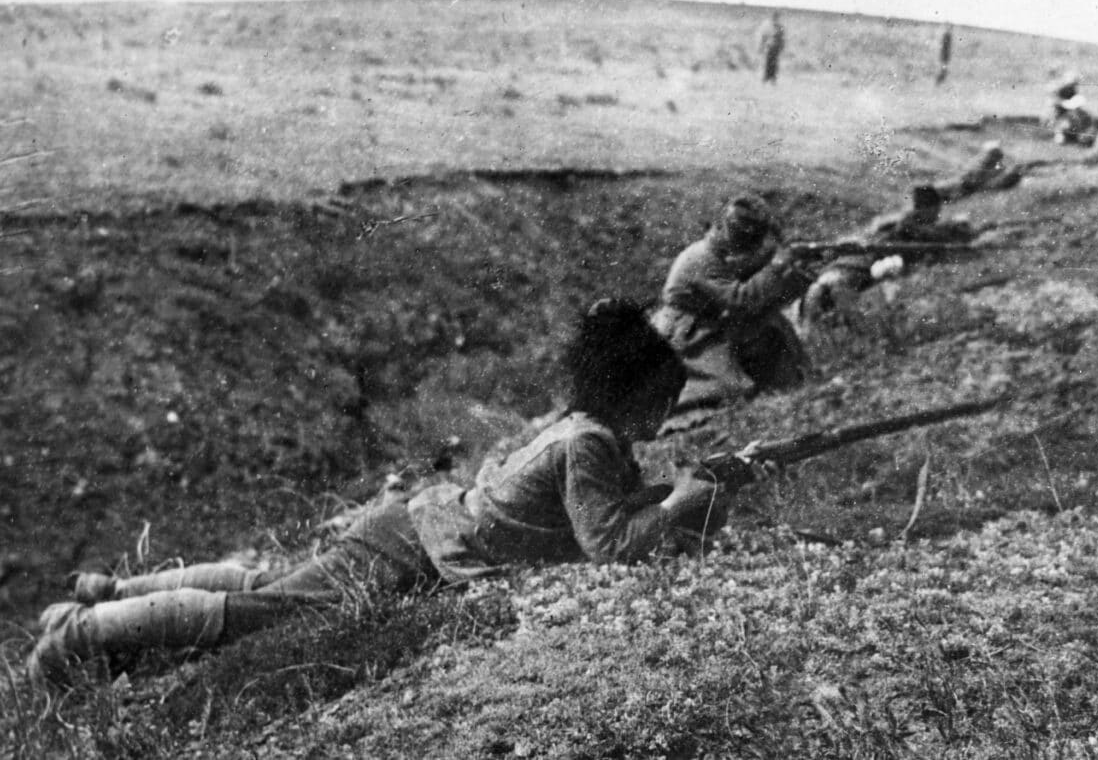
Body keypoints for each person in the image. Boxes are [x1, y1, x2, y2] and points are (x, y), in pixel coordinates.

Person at [28, 300, 730, 687]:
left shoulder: (583, 428)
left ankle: (111, 594)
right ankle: (84, 635)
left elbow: (596, 513)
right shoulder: (591, 443)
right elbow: (606, 544)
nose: (662, 418)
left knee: (277, 585)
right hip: (415, 548)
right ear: (628, 393)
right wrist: (677, 504)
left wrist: (669, 490)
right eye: (660, 403)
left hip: (416, 530)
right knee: (266, 612)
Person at [652, 196, 815, 413]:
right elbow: (740, 299)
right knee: (722, 388)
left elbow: (750, 275)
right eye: (740, 237)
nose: (746, 247)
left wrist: (793, 268)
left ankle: (786, 382)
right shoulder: (701, 259)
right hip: (686, 334)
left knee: (772, 328)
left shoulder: (718, 253)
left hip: (707, 325)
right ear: (720, 228)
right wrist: (777, 266)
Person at [800, 185, 972, 322]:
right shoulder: (908, 227)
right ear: (927, 209)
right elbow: (934, 237)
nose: (938, 215)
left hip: (837, 273)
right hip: (849, 275)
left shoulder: (893, 225)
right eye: (936, 210)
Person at [756, 11, 786, 84]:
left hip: (775, 48)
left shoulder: (780, 27)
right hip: (770, 47)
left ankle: (772, 79)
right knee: (769, 63)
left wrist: (782, 47)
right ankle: (767, 79)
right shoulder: (769, 26)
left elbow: (782, 38)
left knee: (773, 64)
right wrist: (761, 46)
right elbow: (764, 37)